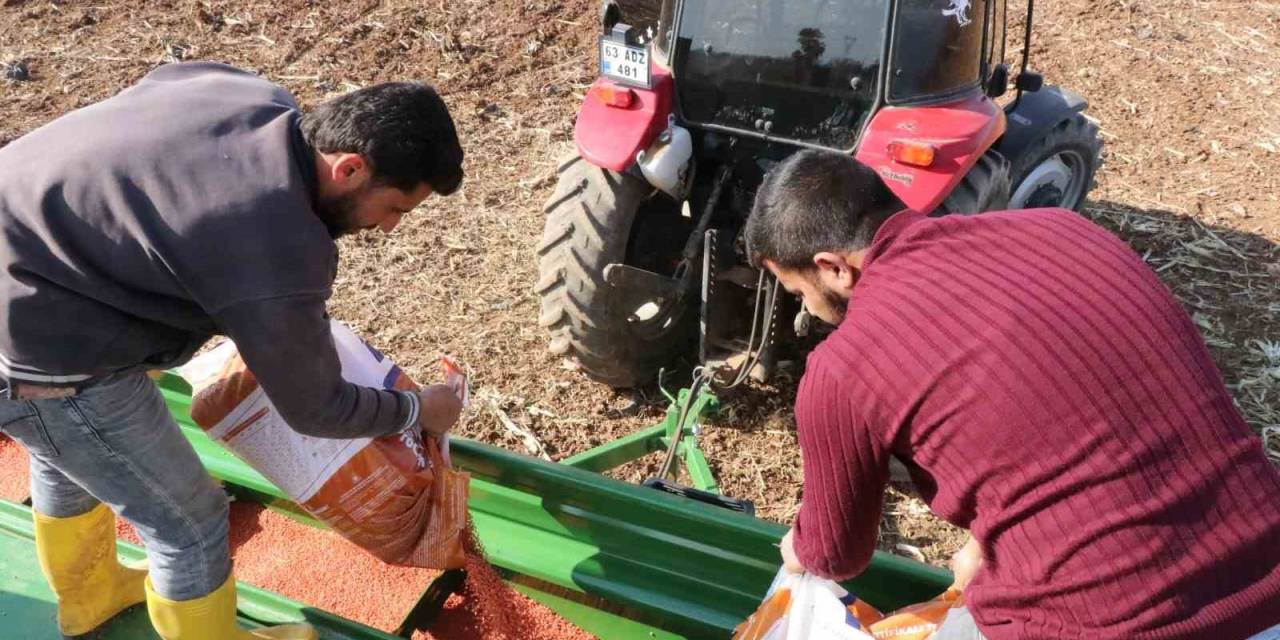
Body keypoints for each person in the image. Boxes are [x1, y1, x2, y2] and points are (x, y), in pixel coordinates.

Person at [0, 62, 466, 640]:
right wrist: (418, 409)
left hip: (25, 265)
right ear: (349, 168)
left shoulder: (235, 90)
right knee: (190, 525)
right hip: (43, 354)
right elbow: (315, 410)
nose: (389, 227)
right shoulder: (276, 242)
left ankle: (88, 596)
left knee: (61, 451)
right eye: (394, 207)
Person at [746, 150, 1280, 639]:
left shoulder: (843, 368)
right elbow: (1083, 415)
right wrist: (992, 543)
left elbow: (836, 554)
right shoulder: (1067, 230)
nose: (808, 313)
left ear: (832, 267)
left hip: (1113, 625)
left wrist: (800, 545)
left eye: (799, 293)